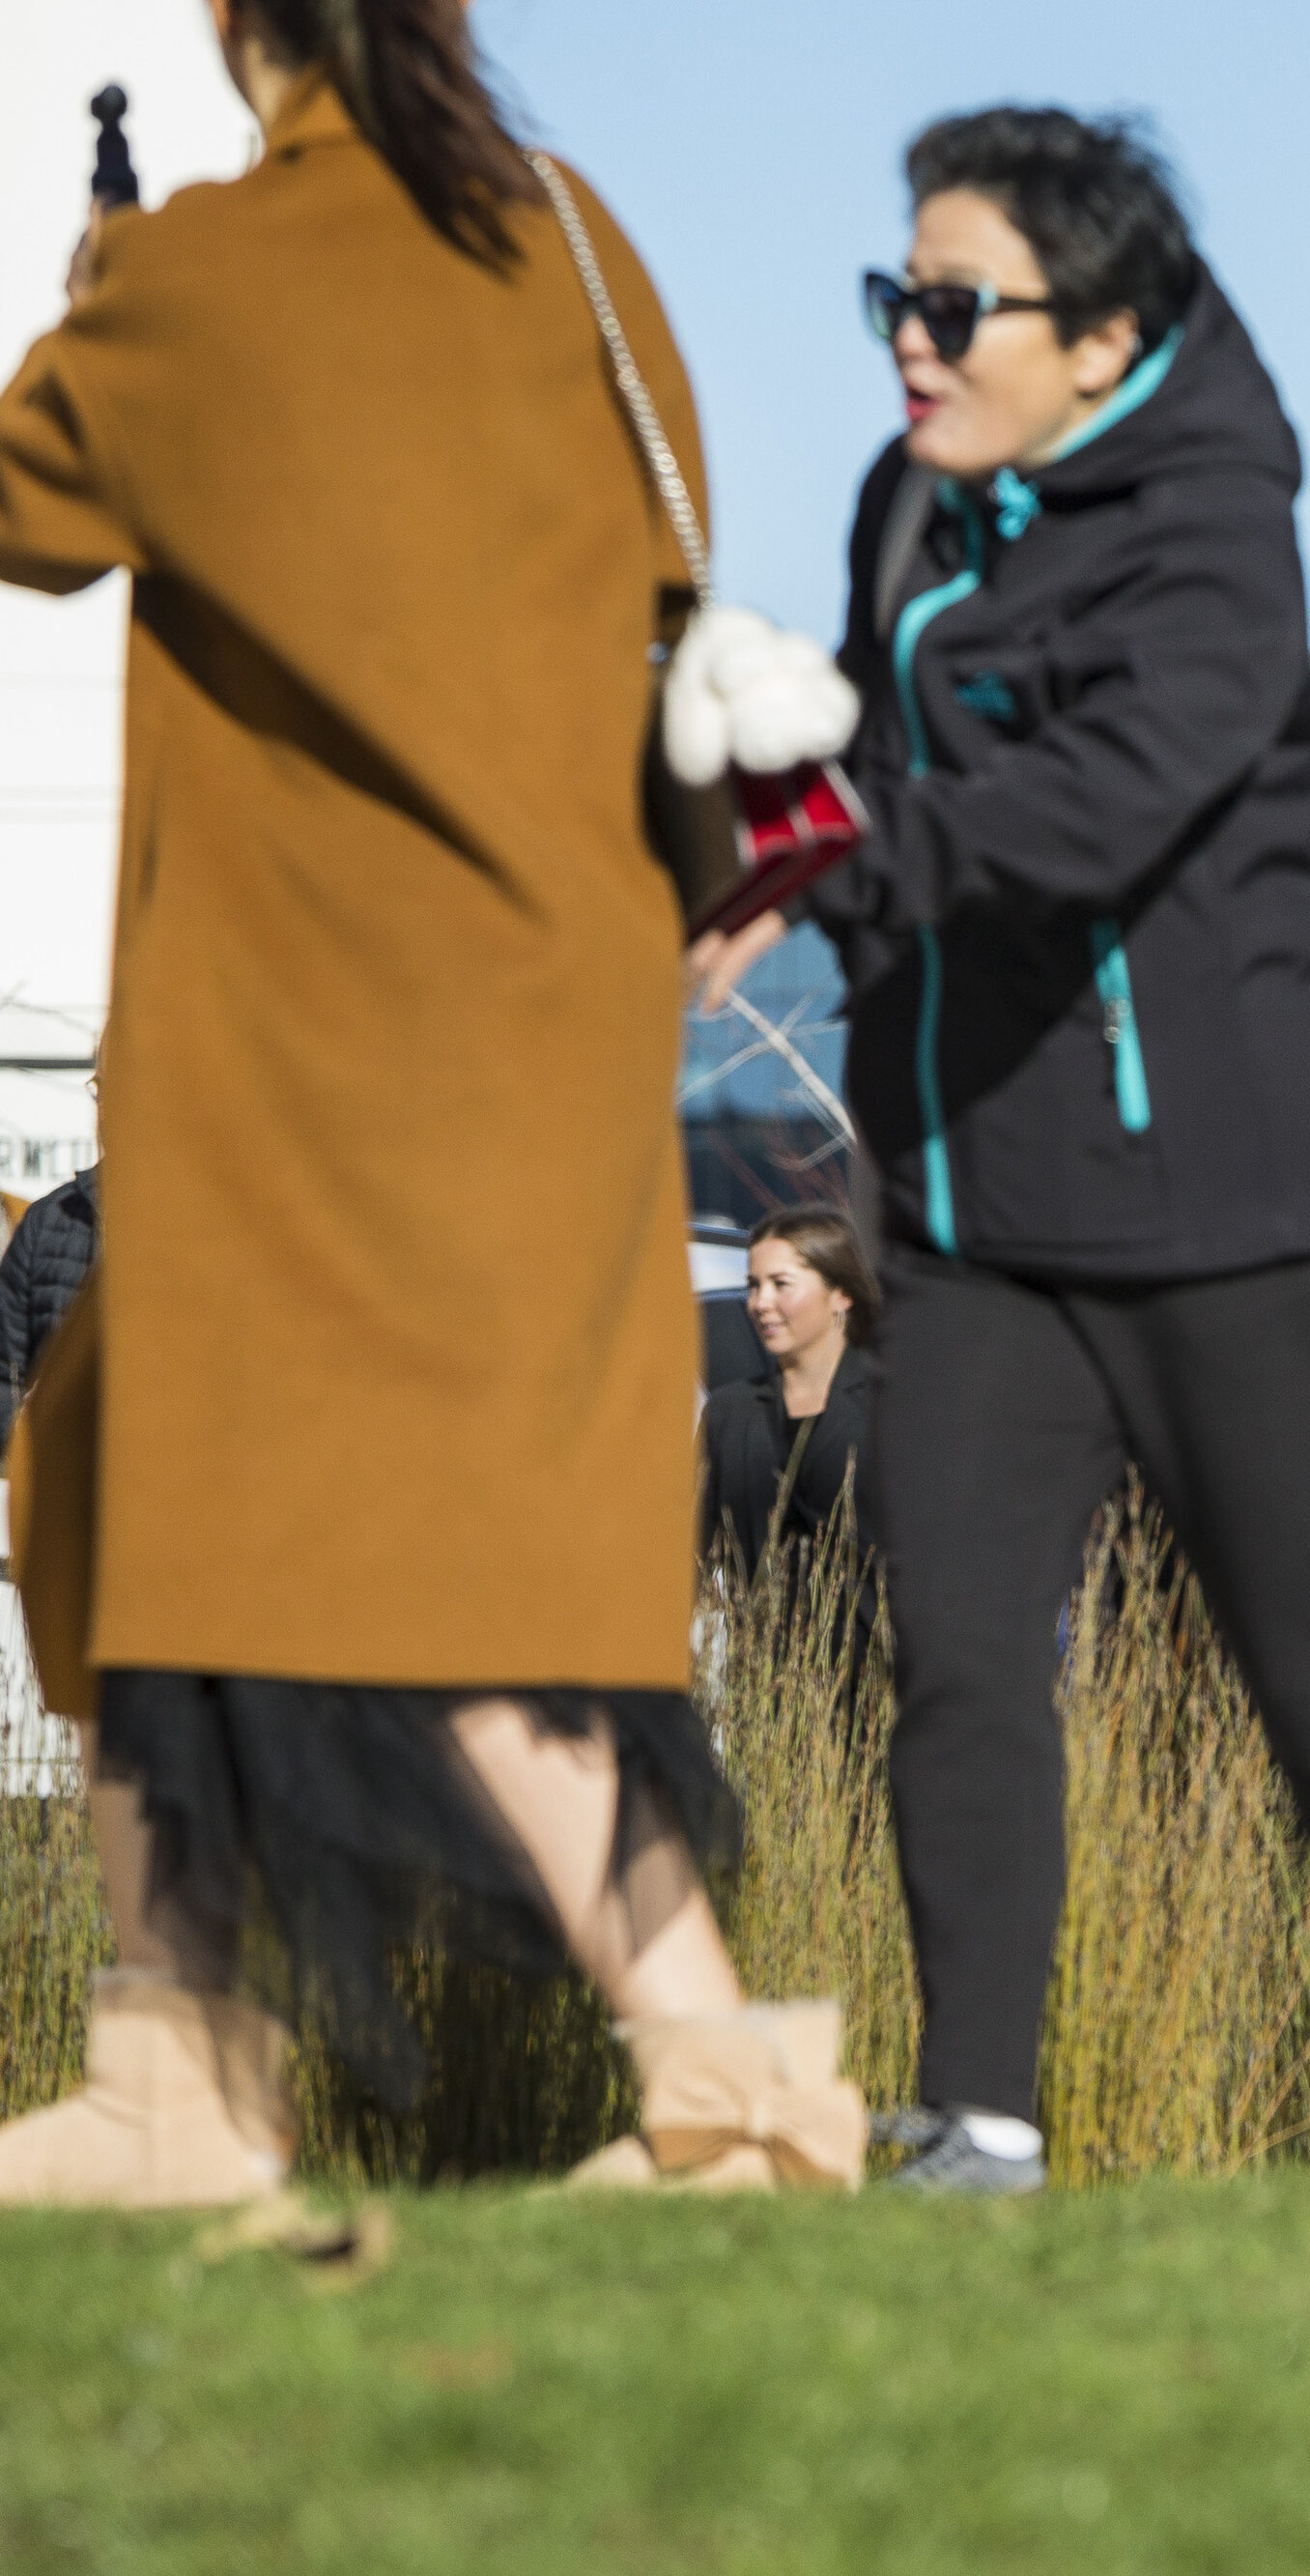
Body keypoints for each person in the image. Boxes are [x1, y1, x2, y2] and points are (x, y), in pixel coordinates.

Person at [0, 0, 863, 2204]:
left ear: (234, 30)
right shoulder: (574, 242)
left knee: (194, 1497)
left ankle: (218, 2080)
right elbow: (664, 559)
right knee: (449, 1534)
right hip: (562, 1013)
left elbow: (31, 506)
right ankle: (666, 2064)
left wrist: (102, 297)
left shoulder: (203, 275)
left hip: (309, 1031)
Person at [695, 109, 1310, 2190]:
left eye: (955, 307)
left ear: (1101, 331)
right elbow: (874, 768)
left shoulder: (1216, 522)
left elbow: (1106, 807)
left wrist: (849, 868)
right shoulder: (911, 498)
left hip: (1237, 1212)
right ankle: (978, 2118)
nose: (911, 343)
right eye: (897, 297)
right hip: (971, 1214)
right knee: (955, 1654)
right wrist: (739, 789)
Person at [699, 1205, 881, 1580]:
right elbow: (690, 1555)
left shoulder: (890, 1406)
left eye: (780, 1284)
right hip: (760, 1635)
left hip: (875, 1637)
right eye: (753, 1286)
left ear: (841, 1294)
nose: (759, 1303)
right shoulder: (730, 1413)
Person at [0, 1164, 95, 1448]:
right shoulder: (48, 1219)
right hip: (59, 1470)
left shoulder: (207, 1223)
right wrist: (20, 1425)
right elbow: (6, 1372)